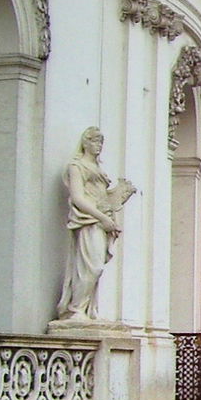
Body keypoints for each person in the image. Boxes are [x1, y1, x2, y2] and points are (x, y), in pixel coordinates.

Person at [55, 128, 136, 321]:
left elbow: (101, 196)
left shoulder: (98, 169)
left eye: (101, 142)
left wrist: (120, 195)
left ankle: (85, 310)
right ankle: (75, 309)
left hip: (101, 220)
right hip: (88, 220)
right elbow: (77, 197)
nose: (99, 146)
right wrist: (101, 217)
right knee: (91, 267)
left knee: (95, 266)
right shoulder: (77, 166)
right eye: (95, 141)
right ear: (85, 142)